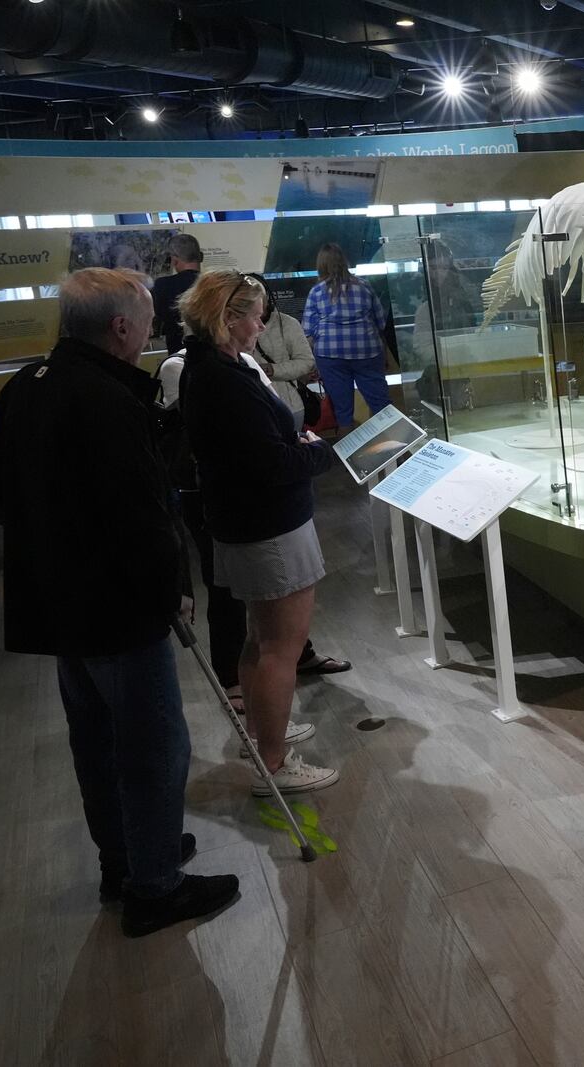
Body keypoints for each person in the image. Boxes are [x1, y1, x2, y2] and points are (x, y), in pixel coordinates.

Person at [0, 268, 239, 938]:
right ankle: (155, 885)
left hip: (56, 605)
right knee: (155, 744)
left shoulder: (23, 389)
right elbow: (141, 517)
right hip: (117, 608)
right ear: (121, 328)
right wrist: (174, 592)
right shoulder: (107, 399)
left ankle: (127, 857)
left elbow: (4, 502)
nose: (155, 327)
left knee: (95, 740)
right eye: (147, 317)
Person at [178, 270, 340, 796]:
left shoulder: (211, 368)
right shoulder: (221, 378)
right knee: (279, 649)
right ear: (229, 318)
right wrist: (320, 451)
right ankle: (273, 760)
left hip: (249, 524)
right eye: (255, 314)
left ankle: (263, 730)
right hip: (267, 528)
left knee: (260, 641)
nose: (262, 323)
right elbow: (270, 463)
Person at [302, 242, 392, 431]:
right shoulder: (364, 286)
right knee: (381, 406)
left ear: (321, 265)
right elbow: (380, 321)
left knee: (343, 413)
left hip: (330, 356)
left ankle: (349, 458)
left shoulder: (316, 292)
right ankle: (392, 454)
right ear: (344, 262)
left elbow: (308, 330)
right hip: (367, 352)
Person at [244, 272, 319, 433]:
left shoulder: (287, 324)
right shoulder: (234, 327)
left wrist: (272, 369)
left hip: (288, 405)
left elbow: (306, 361)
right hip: (252, 408)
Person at [152, 233, 203, 354]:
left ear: (174, 260)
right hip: (213, 354)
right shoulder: (214, 284)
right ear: (201, 257)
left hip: (178, 353)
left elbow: (157, 319)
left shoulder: (162, 285)